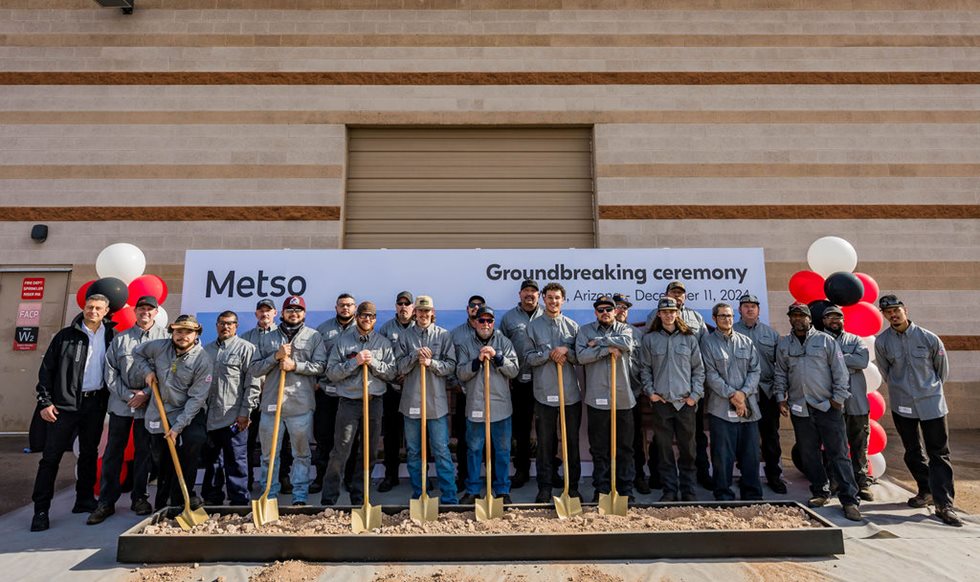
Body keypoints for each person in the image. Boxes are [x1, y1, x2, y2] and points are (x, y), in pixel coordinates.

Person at [30, 294, 116, 532]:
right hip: (64, 406)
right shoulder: (65, 337)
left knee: (89, 453)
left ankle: (84, 499)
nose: (93, 311)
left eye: (99, 308)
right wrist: (45, 402)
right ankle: (41, 509)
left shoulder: (111, 336)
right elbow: (46, 370)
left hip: (95, 405)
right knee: (51, 458)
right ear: (84, 308)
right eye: (90, 307)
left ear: (107, 310)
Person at [875, 295, 960, 526]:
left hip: (931, 403)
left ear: (905, 310)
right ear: (884, 315)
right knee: (912, 451)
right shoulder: (882, 342)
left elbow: (941, 371)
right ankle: (927, 489)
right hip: (903, 405)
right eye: (888, 312)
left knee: (939, 453)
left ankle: (944, 504)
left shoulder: (928, 338)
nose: (893, 315)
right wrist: (904, 391)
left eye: (896, 310)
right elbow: (886, 372)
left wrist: (928, 390)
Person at [774, 303, 862, 522]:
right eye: (793, 316)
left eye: (801, 316)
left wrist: (838, 400)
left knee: (838, 453)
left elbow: (840, 373)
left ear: (809, 319)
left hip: (826, 407)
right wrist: (780, 397)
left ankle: (849, 499)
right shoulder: (784, 344)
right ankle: (820, 491)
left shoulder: (825, 341)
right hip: (799, 408)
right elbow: (780, 373)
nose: (797, 319)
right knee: (809, 453)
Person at [87, 295, 167, 525]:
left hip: (150, 404)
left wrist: (145, 394)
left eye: (149, 309)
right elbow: (109, 371)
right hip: (121, 404)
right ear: (135, 311)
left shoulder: (165, 339)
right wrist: (127, 395)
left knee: (144, 453)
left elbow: (166, 372)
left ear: (156, 311)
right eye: (141, 308)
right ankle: (106, 502)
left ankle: (139, 498)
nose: (145, 312)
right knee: (113, 452)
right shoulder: (121, 339)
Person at [247, 295, 327, 506]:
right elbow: (254, 368)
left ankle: (299, 496)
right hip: (271, 405)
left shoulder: (314, 337)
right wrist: (275, 357)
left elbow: (320, 366)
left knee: (301, 454)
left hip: (300, 405)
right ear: (281, 313)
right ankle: (269, 495)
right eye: (289, 310)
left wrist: (295, 366)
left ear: (304, 313)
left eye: (298, 310)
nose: (294, 313)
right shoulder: (267, 338)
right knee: (268, 455)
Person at [133, 314, 213, 515]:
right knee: (162, 458)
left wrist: (178, 428)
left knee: (192, 445)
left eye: (188, 332)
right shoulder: (159, 347)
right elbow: (137, 353)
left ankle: (183, 499)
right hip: (159, 412)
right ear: (172, 332)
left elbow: (197, 398)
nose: (183, 335)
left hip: (187, 413)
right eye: (179, 331)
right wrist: (146, 372)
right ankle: (163, 504)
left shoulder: (202, 359)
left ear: (196, 334)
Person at [321, 301, 396, 506]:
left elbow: (392, 373)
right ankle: (329, 497)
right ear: (357, 317)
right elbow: (332, 373)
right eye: (364, 315)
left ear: (375, 319)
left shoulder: (383, 343)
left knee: (369, 450)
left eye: (371, 316)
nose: (367, 319)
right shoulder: (343, 342)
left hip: (374, 402)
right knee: (341, 449)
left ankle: (359, 494)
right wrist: (355, 362)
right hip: (349, 402)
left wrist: (373, 363)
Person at [645, 281, 711, 488]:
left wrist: (695, 395)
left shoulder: (694, 323)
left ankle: (692, 483)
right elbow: (645, 366)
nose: (668, 314)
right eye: (673, 293)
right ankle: (664, 484)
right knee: (662, 446)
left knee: (691, 445)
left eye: (680, 293)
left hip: (687, 398)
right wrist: (651, 393)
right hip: (662, 399)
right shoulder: (652, 333)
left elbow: (701, 362)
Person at [395, 295, 458, 504]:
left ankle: (449, 496)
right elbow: (398, 368)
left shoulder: (444, 336)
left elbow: (450, 367)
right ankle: (419, 493)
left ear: (433, 313)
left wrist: (431, 363)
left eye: (427, 311)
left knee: (441, 450)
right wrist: (414, 356)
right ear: (415, 313)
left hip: (436, 404)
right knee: (414, 452)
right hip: (411, 403)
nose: (423, 315)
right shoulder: (405, 337)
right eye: (420, 311)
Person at [455, 306, 519, 504]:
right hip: (476, 405)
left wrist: (498, 357)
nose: (485, 324)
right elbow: (460, 373)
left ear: (493, 323)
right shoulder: (466, 344)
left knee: (502, 451)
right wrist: (477, 361)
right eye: (481, 321)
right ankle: (473, 490)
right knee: (474, 450)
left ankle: (501, 490)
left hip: (500, 406)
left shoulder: (504, 342)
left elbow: (514, 370)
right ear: (475, 322)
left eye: (489, 321)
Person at [577, 295, 637, 503]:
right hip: (597, 399)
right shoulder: (585, 331)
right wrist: (607, 351)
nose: (605, 313)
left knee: (625, 448)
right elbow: (582, 356)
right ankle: (602, 490)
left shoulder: (624, 329)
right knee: (600, 448)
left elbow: (627, 344)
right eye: (600, 310)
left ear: (614, 311)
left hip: (622, 399)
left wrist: (600, 342)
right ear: (596, 312)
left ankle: (625, 489)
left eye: (608, 310)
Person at [526, 282, 582, 503]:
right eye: (549, 297)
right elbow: (528, 358)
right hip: (544, 393)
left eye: (557, 297)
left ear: (563, 300)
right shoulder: (533, 327)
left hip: (570, 395)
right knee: (545, 443)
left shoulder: (572, 327)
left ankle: (573, 487)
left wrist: (567, 350)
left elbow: (581, 358)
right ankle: (545, 487)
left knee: (571, 443)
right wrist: (549, 354)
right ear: (543, 299)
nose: (553, 301)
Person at [701, 302, 762, 501]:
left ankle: (752, 494)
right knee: (722, 456)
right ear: (714, 319)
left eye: (729, 316)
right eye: (722, 316)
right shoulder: (708, 343)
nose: (726, 319)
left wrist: (743, 394)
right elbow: (710, 375)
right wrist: (733, 396)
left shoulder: (745, 341)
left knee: (751, 455)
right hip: (721, 409)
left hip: (749, 408)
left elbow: (755, 370)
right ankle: (723, 493)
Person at [200, 310, 256, 506]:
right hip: (211, 416)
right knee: (213, 461)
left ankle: (239, 501)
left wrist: (245, 412)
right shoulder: (206, 350)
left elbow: (253, 384)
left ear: (236, 326)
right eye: (222, 323)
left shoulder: (246, 349)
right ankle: (212, 499)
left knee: (236, 461)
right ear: (216, 325)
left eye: (230, 323)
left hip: (234, 417)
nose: (226, 326)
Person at [733, 293, 785, 494]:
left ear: (759, 310)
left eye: (753, 306)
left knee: (770, 437)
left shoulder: (770, 334)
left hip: (766, 392)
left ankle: (774, 476)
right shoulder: (732, 331)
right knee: (745, 439)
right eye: (745, 306)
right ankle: (747, 477)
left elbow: (780, 366)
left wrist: (780, 394)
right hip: (743, 394)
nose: (749, 309)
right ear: (739, 310)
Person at [821, 305, 873, 502]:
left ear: (843, 320)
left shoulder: (855, 340)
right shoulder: (819, 340)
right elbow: (819, 364)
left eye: (838, 317)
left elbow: (862, 361)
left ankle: (862, 482)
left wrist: (835, 359)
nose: (834, 321)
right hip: (832, 403)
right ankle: (836, 481)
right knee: (834, 445)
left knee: (859, 444)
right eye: (830, 317)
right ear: (824, 321)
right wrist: (845, 360)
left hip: (856, 403)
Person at [498, 279, 543, 488]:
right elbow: (501, 348)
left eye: (533, 291)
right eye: (526, 291)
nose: (530, 294)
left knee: (546, 428)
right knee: (521, 429)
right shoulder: (509, 318)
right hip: (518, 381)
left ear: (539, 295)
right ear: (520, 294)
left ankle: (548, 470)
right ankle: (522, 470)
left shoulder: (547, 316)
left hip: (546, 381)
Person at [313, 293, 358, 494]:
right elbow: (317, 359)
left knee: (349, 439)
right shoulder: (323, 330)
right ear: (336, 307)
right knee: (324, 437)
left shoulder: (363, 329)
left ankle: (348, 478)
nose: (345, 308)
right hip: (326, 392)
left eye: (349, 305)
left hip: (350, 393)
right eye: (342, 305)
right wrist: (316, 382)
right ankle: (322, 478)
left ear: (355, 308)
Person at [615, 292, 658, 495]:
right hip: (608, 396)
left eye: (625, 307)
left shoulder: (636, 334)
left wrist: (642, 389)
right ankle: (614, 479)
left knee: (634, 439)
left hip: (633, 394)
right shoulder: (603, 333)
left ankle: (638, 475)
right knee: (610, 440)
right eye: (618, 306)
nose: (621, 310)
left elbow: (644, 364)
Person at [241, 298, 282, 491]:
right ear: (256, 314)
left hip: (275, 396)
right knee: (247, 442)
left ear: (275, 313)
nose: (265, 314)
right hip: (251, 398)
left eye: (269, 310)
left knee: (280, 440)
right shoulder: (246, 338)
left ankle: (281, 479)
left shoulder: (283, 335)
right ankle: (246, 481)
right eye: (261, 311)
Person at [376, 290, 414, 492]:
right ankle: (391, 475)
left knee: (418, 433)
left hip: (415, 388)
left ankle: (421, 475)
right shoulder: (386, 329)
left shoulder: (421, 328)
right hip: (391, 389)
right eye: (400, 303)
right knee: (391, 434)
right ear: (395, 307)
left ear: (413, 307)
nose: (403, 307)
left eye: (407, 304)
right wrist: (393, 376)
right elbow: (379, 358)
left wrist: (409, 375)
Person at [449, 295, 487, 489]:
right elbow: (450, 362)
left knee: (489, 438)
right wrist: (455, 384)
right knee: (464, 438)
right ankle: (463, 476)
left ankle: (491, 478)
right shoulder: (456, 334)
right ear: (467, 309)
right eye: (473, 306)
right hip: (464, 393)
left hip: (488, 396)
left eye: (480, 306)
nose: (476, 308)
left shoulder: (492, 333)